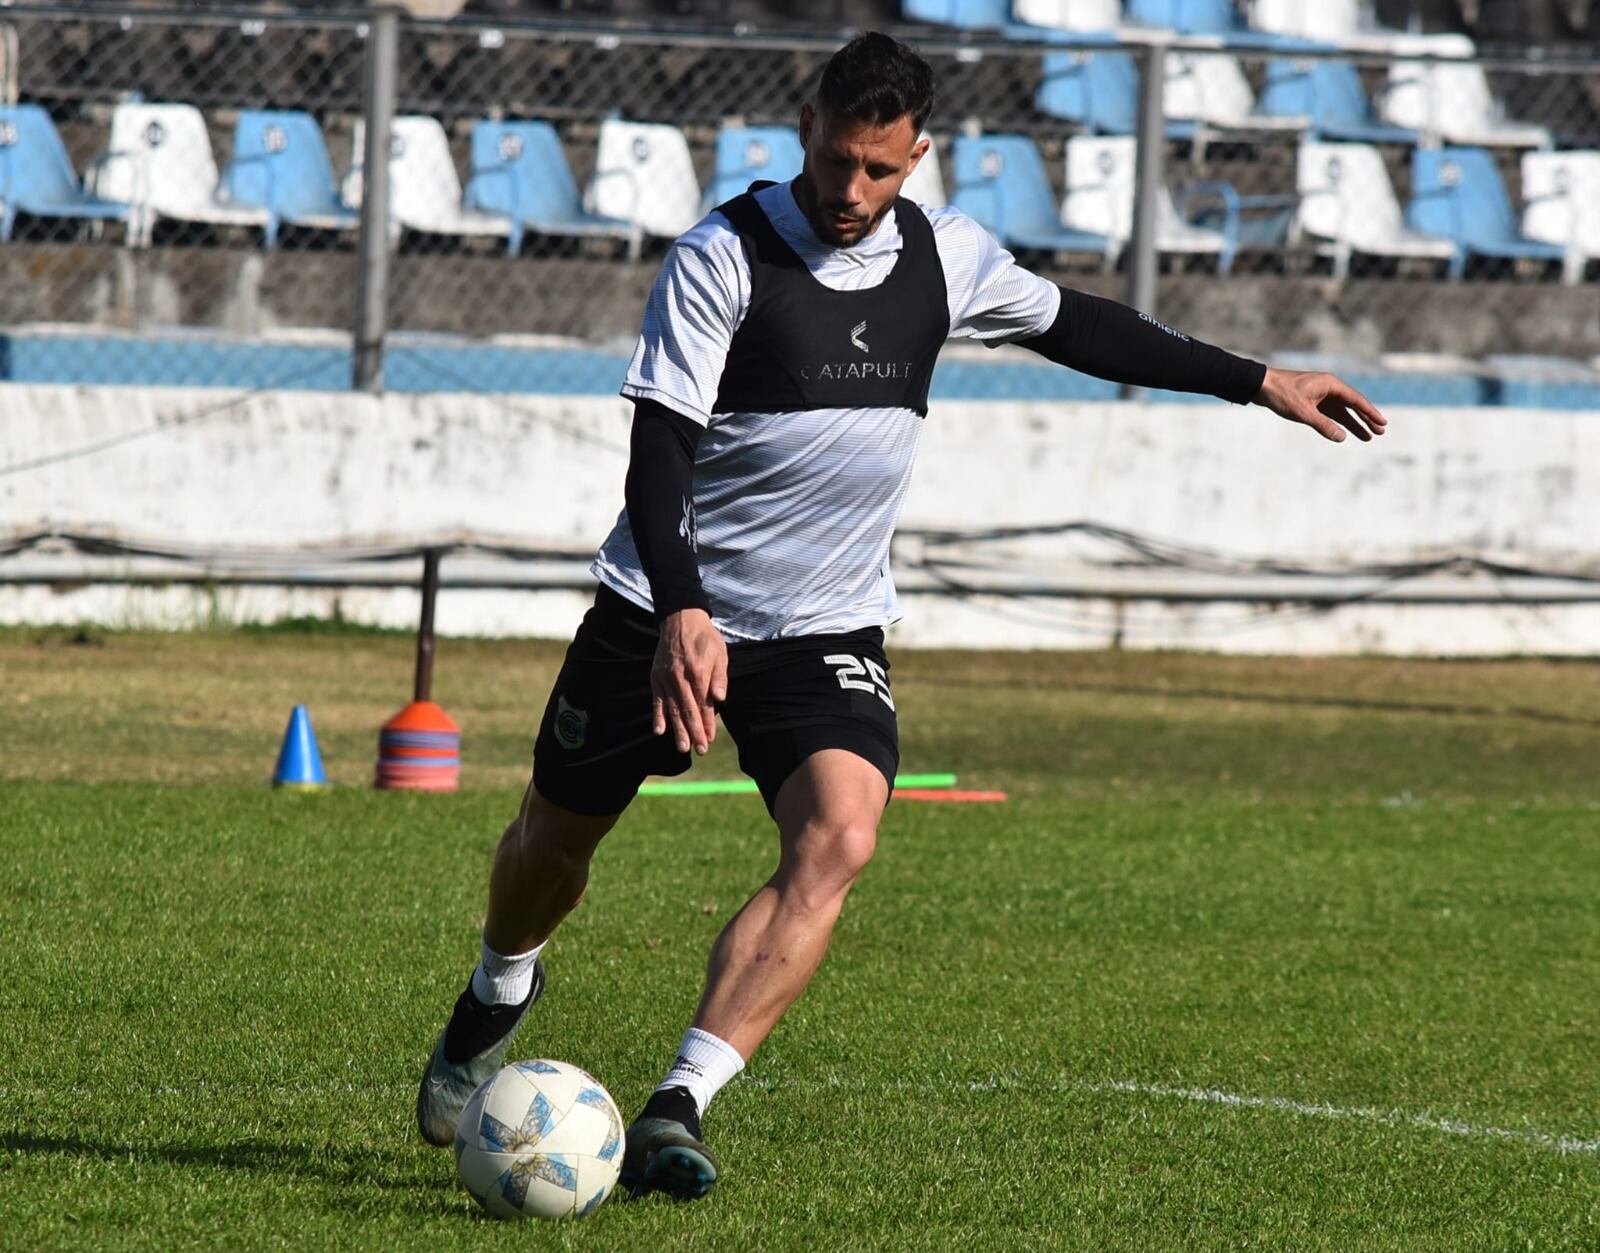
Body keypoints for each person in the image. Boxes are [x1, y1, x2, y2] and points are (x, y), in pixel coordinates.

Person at [415, 31, 1387, 1201]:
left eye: (878, 170)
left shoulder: (946, 257)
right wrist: (682, 609)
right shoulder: (722, 254)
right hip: (660, 609)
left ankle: (679, 1101)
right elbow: (659, 448)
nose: (850, 192)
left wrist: (1258, 377)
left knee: (840, 832)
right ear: (806, 135)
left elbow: (1080, 324)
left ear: (916, 157)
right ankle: (497, 987)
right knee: (552, 846)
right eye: (834, 162)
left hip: (823, 623)